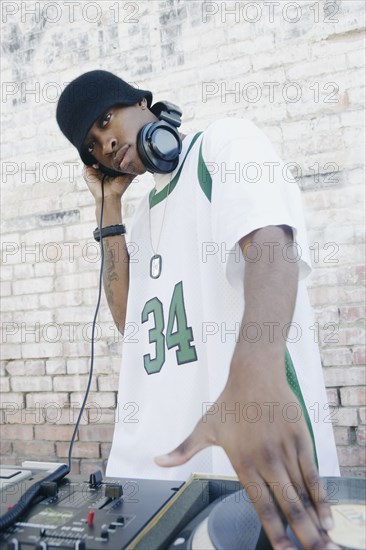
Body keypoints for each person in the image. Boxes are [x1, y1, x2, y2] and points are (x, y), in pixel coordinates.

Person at [57, 70, 340, 550]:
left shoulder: (223, 144)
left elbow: (271, 245)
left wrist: (256, 372)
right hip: (163, 486)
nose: (106, 144)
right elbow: (133, 325)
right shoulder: (142, 219)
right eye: (92, 143)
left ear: (143, 104)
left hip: (251, 461)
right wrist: (109, 207)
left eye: (107, 119)